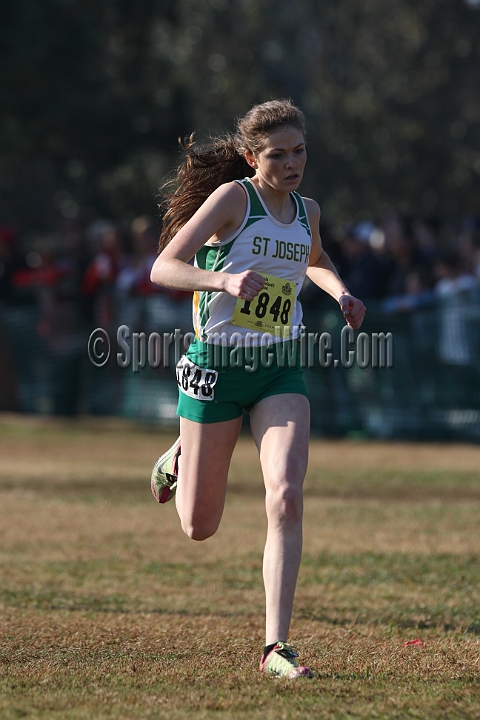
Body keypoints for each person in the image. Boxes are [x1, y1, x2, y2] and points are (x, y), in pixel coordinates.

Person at [149, 99, 366, 679]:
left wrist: (339, 291)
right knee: (200, 525)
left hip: (279, 368)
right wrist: (220, 277)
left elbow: (313, 259)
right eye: (278, 154)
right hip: (216, 368)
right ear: (252, 156)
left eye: (299, 152)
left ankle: (276, 647)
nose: (292, 163)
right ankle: (181, 450)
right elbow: (163, 267)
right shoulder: (232, 201)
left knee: (287, 494)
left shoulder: (306, 210)